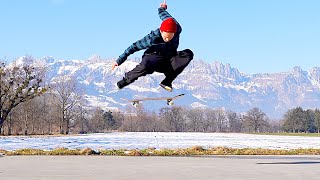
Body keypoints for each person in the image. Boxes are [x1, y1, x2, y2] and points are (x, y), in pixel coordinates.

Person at [111, 0, 194, 92]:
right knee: (147, 63)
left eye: (171, 37)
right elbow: (133, 47)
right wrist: (119, 60)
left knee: (188, 54)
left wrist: (162, 8)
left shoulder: (177, 27)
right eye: (165, 37)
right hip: (153, 58)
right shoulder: (153, 38)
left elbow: (164, 15)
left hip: (168, 59)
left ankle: (167, 82)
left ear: (175, 32)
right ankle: (123, 82)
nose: (168, 39)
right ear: (161, 31)